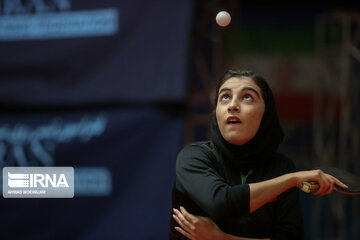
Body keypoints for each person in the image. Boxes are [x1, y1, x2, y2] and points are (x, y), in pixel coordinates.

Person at [169, 69, 347, 240]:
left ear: (266, 112)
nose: (232, 106)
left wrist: (222, 238)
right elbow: (220, 203)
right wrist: (291, 180)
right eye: (225, 97)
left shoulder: (281, 167)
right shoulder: (194, 157)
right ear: (216, 112)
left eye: (247, 97)